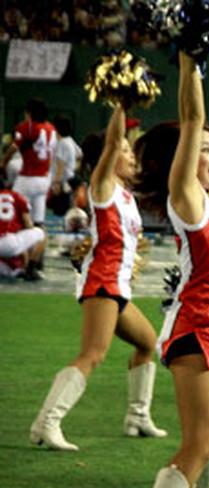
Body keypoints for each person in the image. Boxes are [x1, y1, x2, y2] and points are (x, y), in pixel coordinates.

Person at [124, 52, 209, 488]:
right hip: (196, 331)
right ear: (183, 159)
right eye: (207, 150)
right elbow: (192, 118)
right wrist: (191, 56)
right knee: (200, 440)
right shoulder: (187, 201)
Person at [28, 103, 167, 451]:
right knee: (93, 353)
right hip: (102, 282)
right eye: (123, 150)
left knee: (148, 342)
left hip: (117, 286)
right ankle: (48, 422)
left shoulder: (124, 193)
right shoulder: (102, 186)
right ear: (108, 155)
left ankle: (137, 416)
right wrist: (122, 103)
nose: (130, 155)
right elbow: (112, 141)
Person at [2, 98, 57, 228]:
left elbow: (14, 148)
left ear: (29, 113)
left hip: (28, 177)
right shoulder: (51, 128)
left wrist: (3, 162)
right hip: (44, 178)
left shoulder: (27, 127)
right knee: (38, 220)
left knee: (14, 211)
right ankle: (39, 243)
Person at [0, 186, 46, 280]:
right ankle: (30, 270)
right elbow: (28, 224)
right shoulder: (16, 196)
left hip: (8, 244)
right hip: (8, 242)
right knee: (41, 233)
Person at [49, 116, 84, 216]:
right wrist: (73, 167)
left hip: (64, 181)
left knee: (60, 213)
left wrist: (57, 183)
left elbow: (61, 165)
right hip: (70, 178)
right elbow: (80, 154)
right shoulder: (70, 140)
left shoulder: (62, 143)